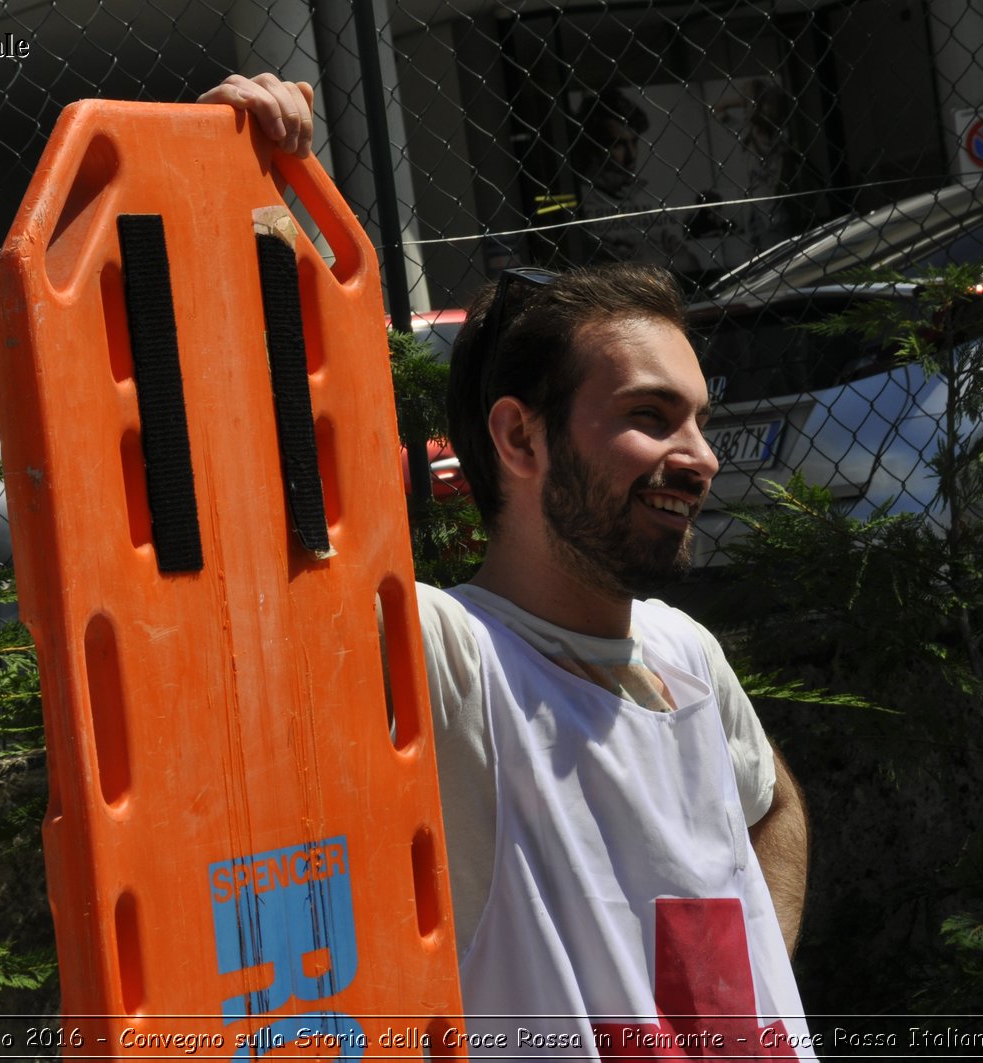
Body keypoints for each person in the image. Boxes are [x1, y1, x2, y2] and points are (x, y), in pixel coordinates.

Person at [201, 74, 815, 1059]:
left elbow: (773, 801)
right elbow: (258, 523)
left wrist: (758, 966)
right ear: (519, 440)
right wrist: (227, 195)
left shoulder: (684, 651)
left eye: (698, 417)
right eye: (650, 418)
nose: (698, 454)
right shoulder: (451, 658)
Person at [568, 89, 701, 279]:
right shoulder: (581, 203)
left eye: (634, 142)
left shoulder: (645, 195)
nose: (632, 155)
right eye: (619, 144)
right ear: (593, 148)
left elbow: (689, 263)